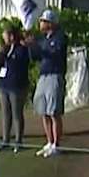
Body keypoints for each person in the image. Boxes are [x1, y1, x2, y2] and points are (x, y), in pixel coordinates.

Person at [27, 9, 68, 158]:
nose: (40, 24)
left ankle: (56, 144)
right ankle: (49, 142)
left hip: (54, 75)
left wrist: (37, 46)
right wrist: (30, 46)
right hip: (43, 76)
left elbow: (53, 52)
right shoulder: (43, 39)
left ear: (51, 23)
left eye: (43, 21)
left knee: (53, 111)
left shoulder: (59, 37)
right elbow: (36, 56)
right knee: (43, 110)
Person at [0, 24, 31, 153]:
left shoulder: (21, 48)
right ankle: (5, 140)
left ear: (11, 35)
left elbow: (21, 63)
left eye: (6, 34)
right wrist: (2, 52)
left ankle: (18, 141)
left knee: (16, 113)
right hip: (4, 85)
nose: (4, 37)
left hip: (17, 86)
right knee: (6, 114)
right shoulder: (4, 48)